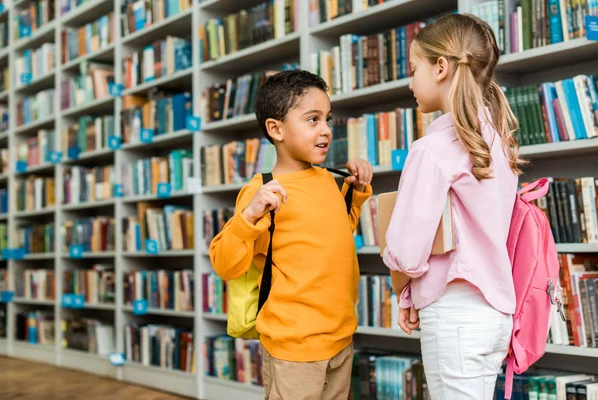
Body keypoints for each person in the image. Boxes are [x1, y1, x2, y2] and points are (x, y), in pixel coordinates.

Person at [382, 14, 525, 399]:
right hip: (494, 313)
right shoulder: (498, 141)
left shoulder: (431, 149)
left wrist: (404, 291)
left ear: (441, 67)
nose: (410, 82)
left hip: (454, 315)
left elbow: (407, 249)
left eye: (414, 70)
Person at [209, 69, 373, 400]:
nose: (326, 130)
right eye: (313, 120)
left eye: (328, 119)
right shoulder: (262, 190)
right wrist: (250, 215)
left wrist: (355, 193)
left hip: (340, 339)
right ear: (276, 129)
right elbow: (225, 264)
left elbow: (334, 239)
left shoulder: (329, 180)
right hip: (293, 346)